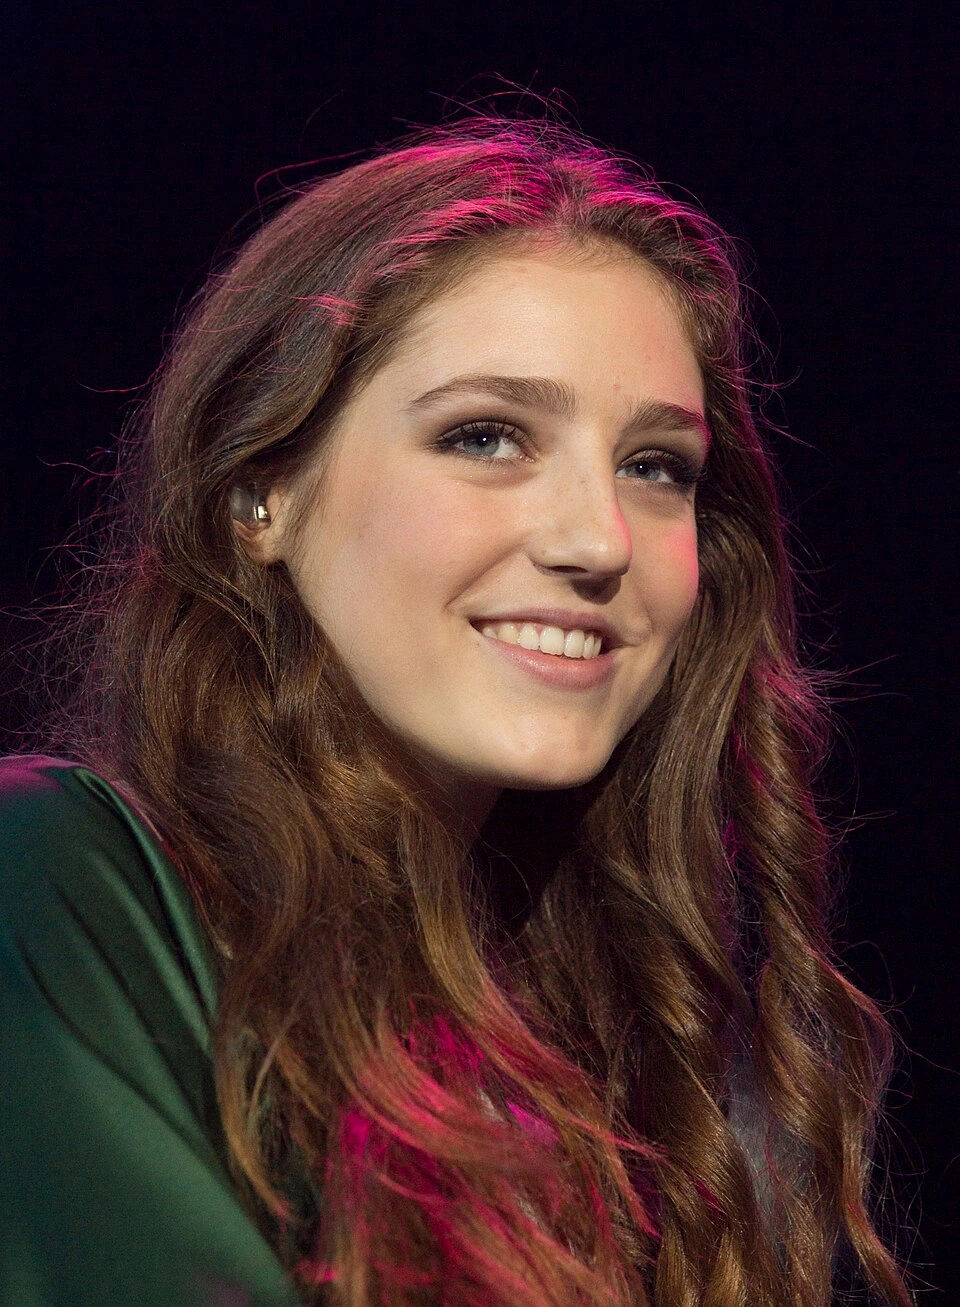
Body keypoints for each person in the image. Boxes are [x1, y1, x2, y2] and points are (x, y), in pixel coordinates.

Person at [0, 116, 913, 1306]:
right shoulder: (56, 877)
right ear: (258, 495)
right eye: (486, 436)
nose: (597, 539)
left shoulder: (633, 1086)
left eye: (657, 466)